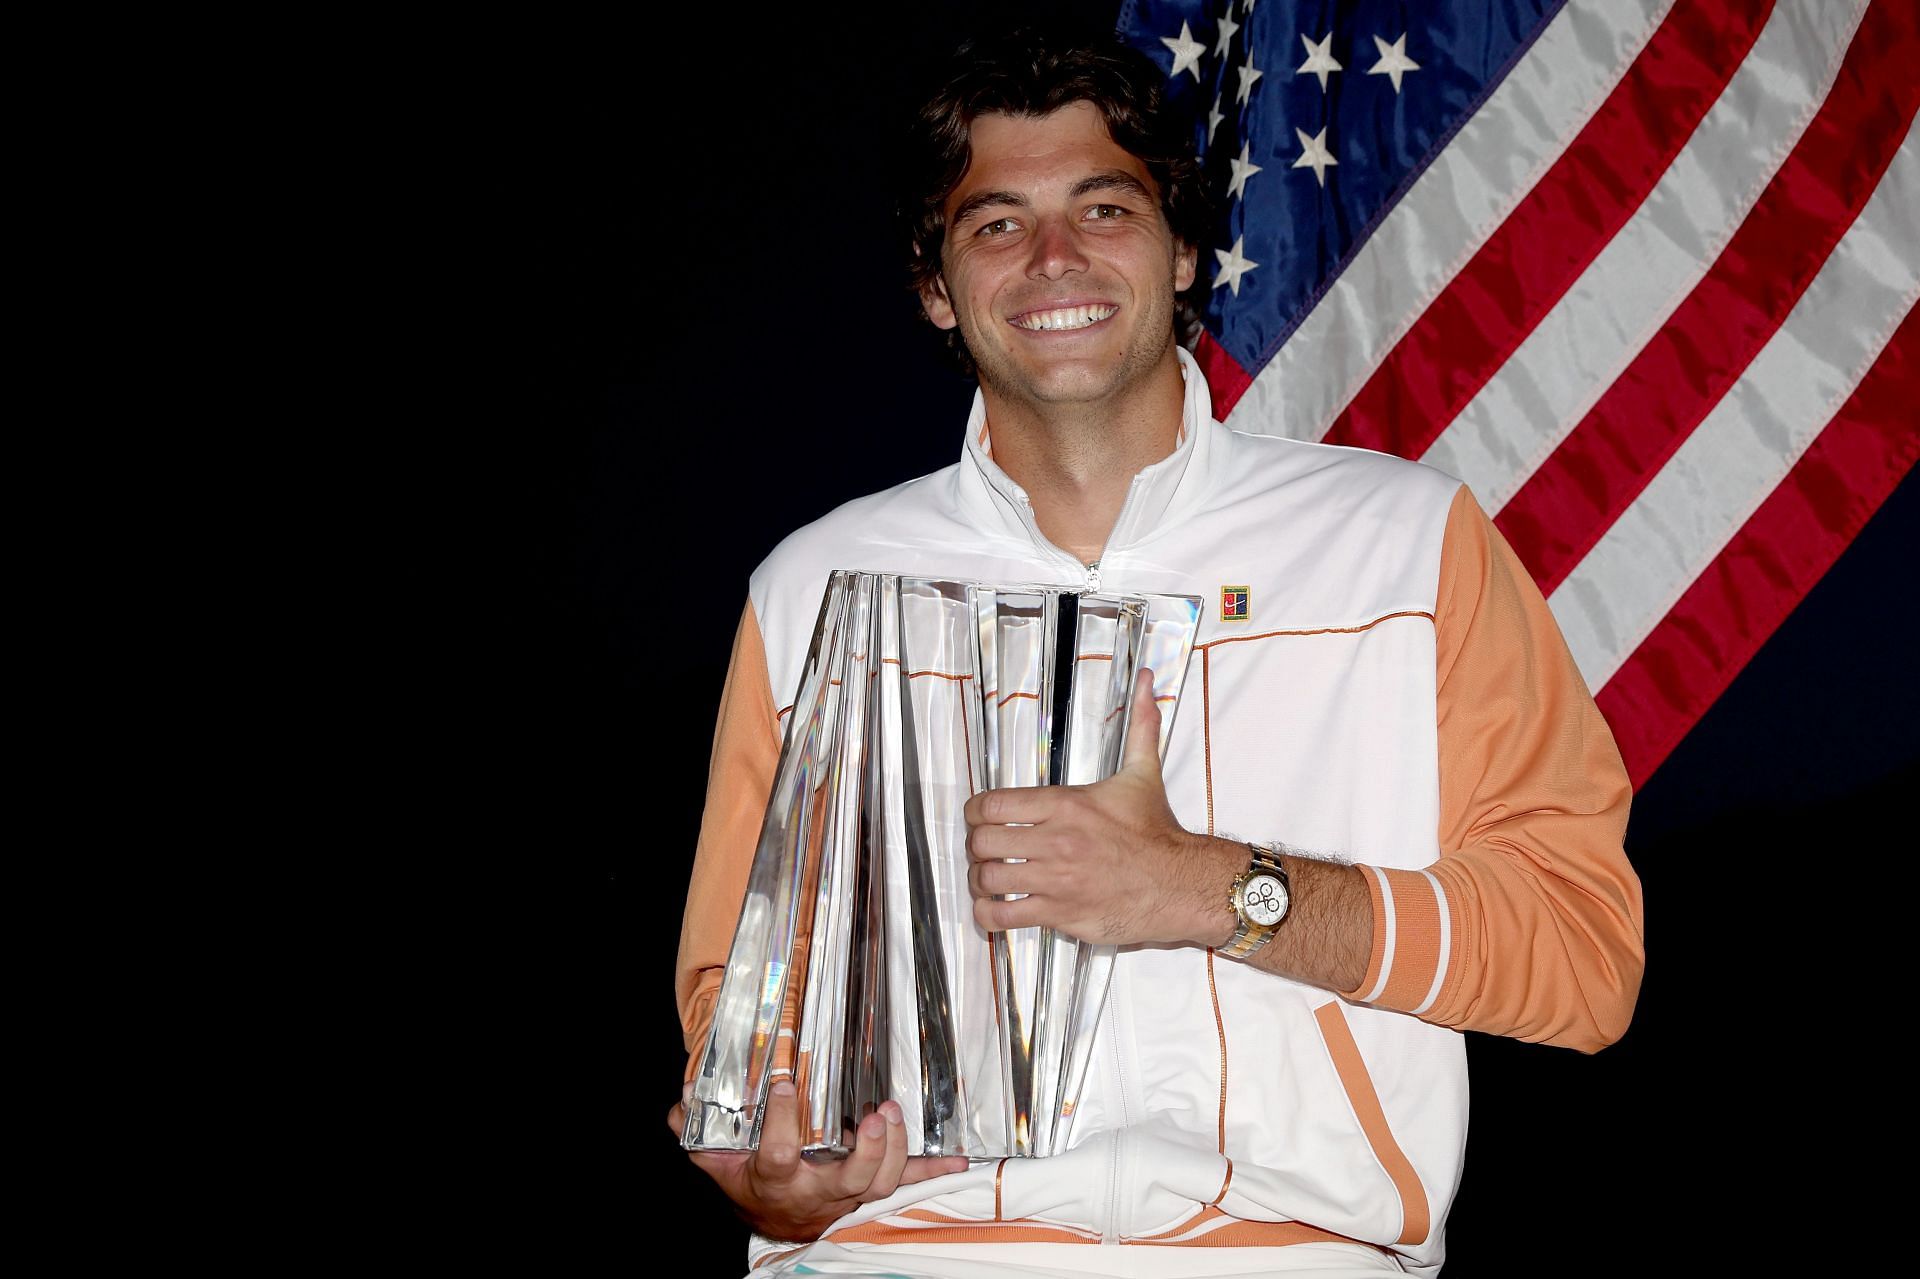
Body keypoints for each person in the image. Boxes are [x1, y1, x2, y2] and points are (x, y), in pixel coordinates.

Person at [669, 28, 1644, 1279]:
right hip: (900, 1256)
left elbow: (1582, 952)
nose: (1055, 258)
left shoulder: (1407, 542)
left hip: (1294, 1257)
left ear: (1184, 248)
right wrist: (783, 1184)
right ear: (935, 285)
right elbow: (737, 1034)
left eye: (1104, 206)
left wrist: (1210, 890)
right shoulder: (813, 587)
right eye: (996, 223)